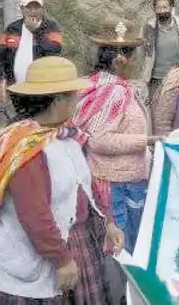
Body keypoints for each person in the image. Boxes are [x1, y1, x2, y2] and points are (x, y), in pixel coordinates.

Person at [0, 57, 123, 303]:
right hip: (32, 260)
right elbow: (35, 214)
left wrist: (108, 222)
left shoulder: (65, 137)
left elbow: (86, 185)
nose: (78, 99)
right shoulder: (26, 149)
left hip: (73, 242)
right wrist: (62, 259)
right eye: (74, 94)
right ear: (57, 101)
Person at [72, 19, 157, 255]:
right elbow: (98, 139)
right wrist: (146, 141)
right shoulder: (113, 92)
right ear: (121, 59)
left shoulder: (113, 86)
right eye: (132, 54)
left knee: (126, 246)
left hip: (127, 179)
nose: (135, 60)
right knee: (121, 248)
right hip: (115, 184)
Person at [0, 0, 63, 103]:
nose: (33, 11)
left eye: (37, 7)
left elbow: (54, 51)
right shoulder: (12, 28)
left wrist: (36, 31)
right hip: (15, 88)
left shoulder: (52, 27)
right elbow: (0, 57)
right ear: (22, 10)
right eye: (29, 7)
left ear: (42, 9)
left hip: (42, 89)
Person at [140, 0, 179, 112]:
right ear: (154, 9)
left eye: (165, 7)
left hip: (178, 77)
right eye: (159, 8)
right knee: (156, 112)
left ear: (170, 8)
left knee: (178, 110)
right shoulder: (148, 28)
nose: (162, 11)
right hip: (156, 80)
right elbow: (140, 54)